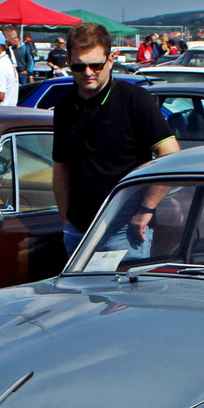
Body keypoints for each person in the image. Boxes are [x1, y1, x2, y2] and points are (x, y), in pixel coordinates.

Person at [50, 22, 179, 255]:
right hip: (79, 230)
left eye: (95, 65)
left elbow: (170, 153)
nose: (88, 72)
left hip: (124, 231)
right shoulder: (65, 107)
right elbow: (61, 167)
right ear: (68, 62)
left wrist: (146, 209)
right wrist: (65, 220)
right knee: (77, 293)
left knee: (121, 293)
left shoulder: (134, 100)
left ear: (110, 60)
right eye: (79, 66)